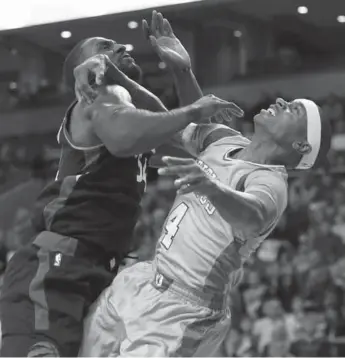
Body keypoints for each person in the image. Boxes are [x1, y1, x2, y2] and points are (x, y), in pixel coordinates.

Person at [78, 13, 332, 358]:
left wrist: (211, 187)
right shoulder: (227, 141)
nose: (284, 102)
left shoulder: (269, 182)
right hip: (142, 281)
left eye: (295, 112)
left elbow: (254, 215)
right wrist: (179, 70)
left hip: (184, 312)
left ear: (301, 147)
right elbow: (180, 117)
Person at [0, 15, 241, 358]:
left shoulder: (129, 110)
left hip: (99, 270)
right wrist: (189, 110)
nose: (122, 46)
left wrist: (182, 72)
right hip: (57, 266)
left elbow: (197, 147)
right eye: (105, 47)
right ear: (87, 68)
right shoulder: (100, 95)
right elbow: (125, 138)